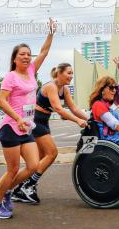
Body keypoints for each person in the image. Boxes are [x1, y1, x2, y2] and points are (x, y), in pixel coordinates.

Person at [0, 19, 56, 219]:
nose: (26, 57)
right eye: (22, 54)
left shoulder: (32, 71)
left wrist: (50, 34)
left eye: (28, 54)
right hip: (11, 127)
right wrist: (17, 118)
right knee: (13, 169)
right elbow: (1, 100)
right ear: (15, 59)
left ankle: (7, 190)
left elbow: (44, 52)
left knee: (33, 166)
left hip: (26, 128)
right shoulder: (11, 77)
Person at [12, 62, 88, 204]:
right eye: (69, 73)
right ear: (59, 73)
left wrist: (91, 119)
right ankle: (28, 186)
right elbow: (59, 109)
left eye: (72, 73)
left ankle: (19, 189)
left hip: (43, 121)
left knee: (39, 159)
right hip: (35, 121)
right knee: (52, 153)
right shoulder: (51, 87)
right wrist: (77, 121)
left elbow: (74, 108)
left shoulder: (64, 89)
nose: (71, 76)